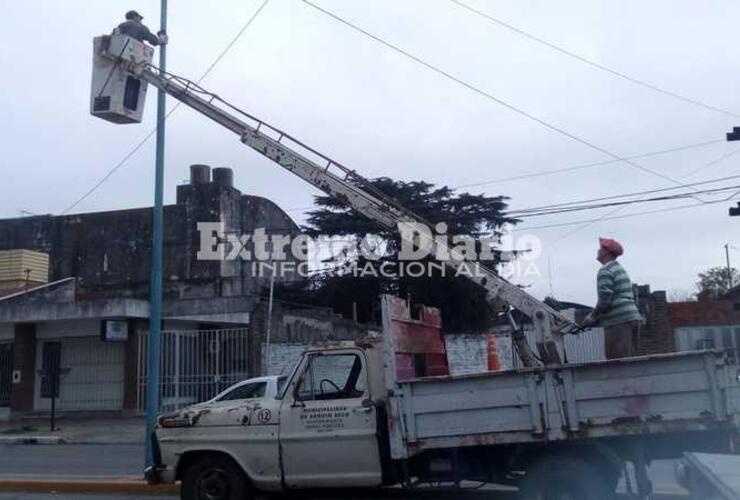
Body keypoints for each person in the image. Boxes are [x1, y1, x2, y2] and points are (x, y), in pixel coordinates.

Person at [581, 238, 643, 359]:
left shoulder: (605, 270)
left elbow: (605, 301)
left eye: (600, 249)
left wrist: (591, 317)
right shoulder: (619, 268)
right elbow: (614, 298)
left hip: (619, 321)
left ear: (606, 252)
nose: (598, 251)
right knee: (631, 361)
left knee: (617, 363)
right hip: (632, 317)